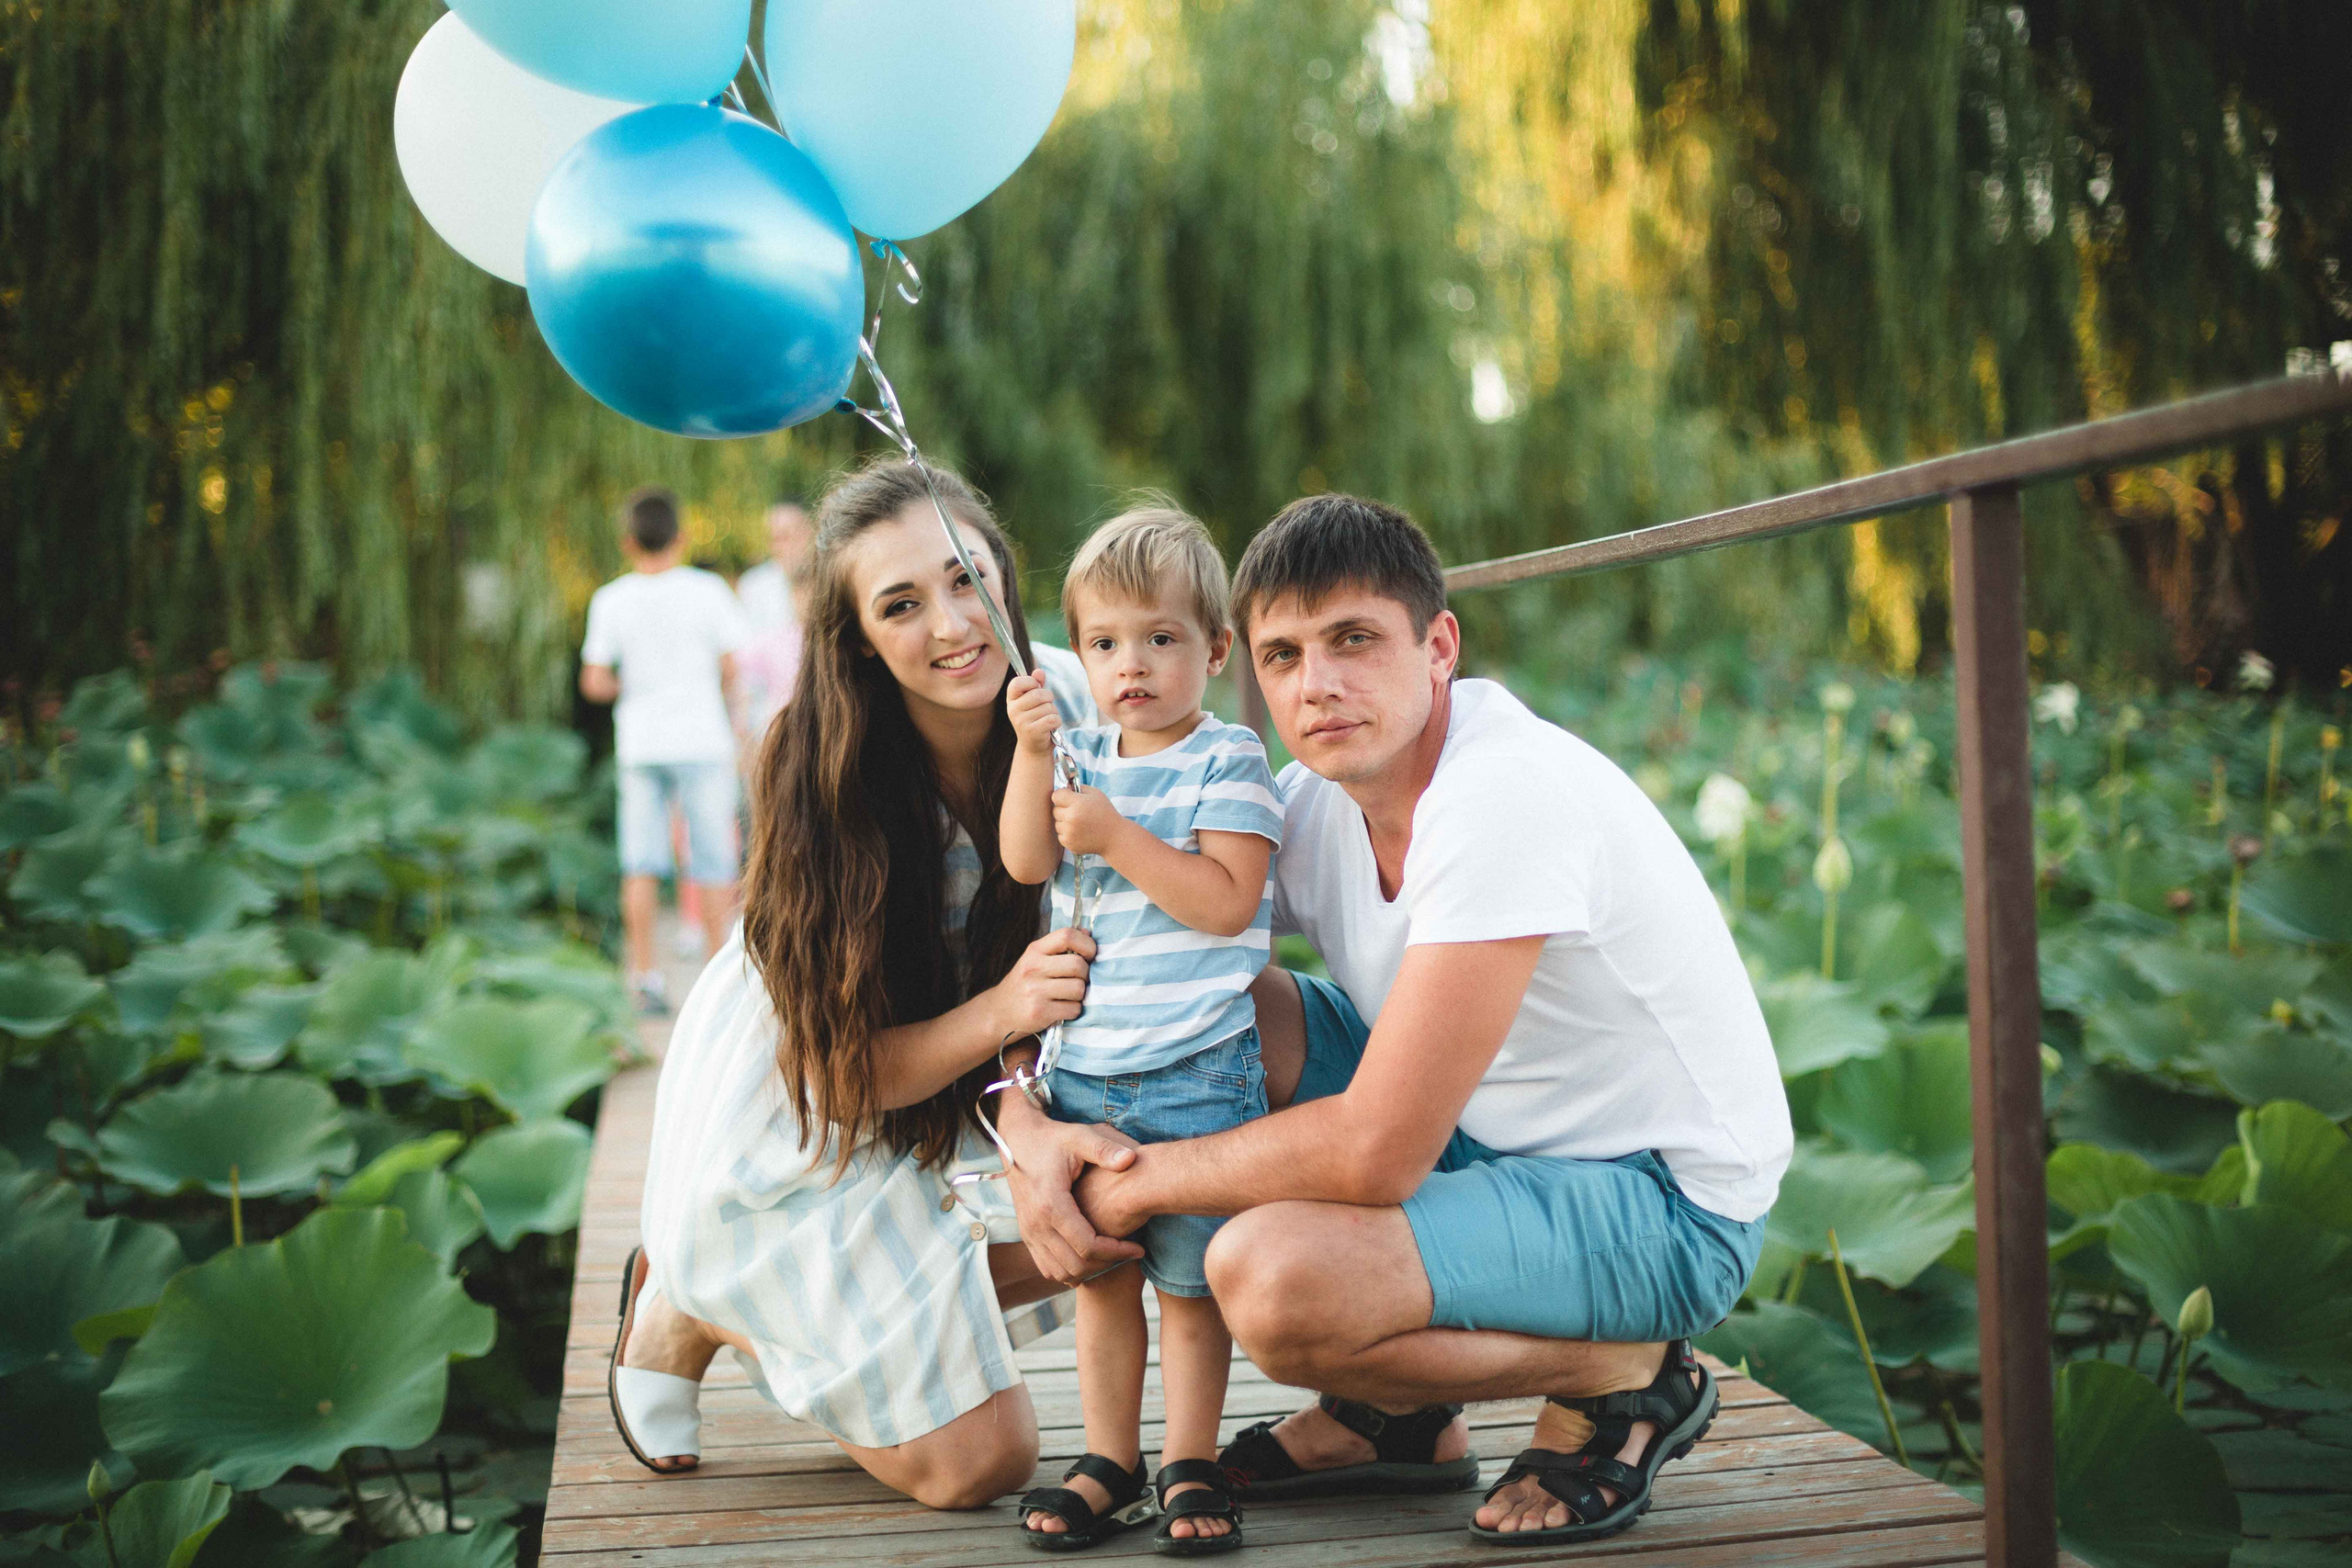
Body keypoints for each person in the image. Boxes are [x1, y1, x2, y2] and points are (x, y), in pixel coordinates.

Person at [995, 493, 1793, 1547]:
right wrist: (1027, 1120)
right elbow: (1135, 944)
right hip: (1498, 1142)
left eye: (1353, 640)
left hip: (1659, 1202)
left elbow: (1375, 1154)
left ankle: (1632, 1374)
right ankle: (1400, 1421)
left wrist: (1121, 1184)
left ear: (1439, 646)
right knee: (1248, 1011)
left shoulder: (1503, 793)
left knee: (1267, 1281)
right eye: (1281, 657)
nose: (1315, 684)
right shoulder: (1317, 803)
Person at [605, 457, 1121, 1511]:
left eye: (965, 578)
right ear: (860, 641)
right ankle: (701, 1292)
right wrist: (1005, 1013)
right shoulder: (824, 777)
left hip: (986, 1068)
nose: (952, 625)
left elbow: (1092, 936)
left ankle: (837, 1303)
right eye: (901, 604)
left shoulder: (1072, 701)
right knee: (982, 1462)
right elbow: (839, 1080)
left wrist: (1025, 1126)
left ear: (1002, 575)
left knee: (1131, 1193)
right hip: (809, 1110)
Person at [998, 508, 1281, 1554]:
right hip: (1084, 1075)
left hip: (1197, 1071)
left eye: (1162, 640)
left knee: (1189, 1285)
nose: (1133, 666)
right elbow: (1029, 863)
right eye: (1106, 644)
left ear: (1214, 650)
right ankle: (1109, 1457)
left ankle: (1189, 1458)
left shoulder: (1230, 757)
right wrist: (1033, 758)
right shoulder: (1073, 752)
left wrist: (1115, 835)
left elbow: (1221, 901)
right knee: (1103, 1280)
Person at [580, 487, 752, 1015]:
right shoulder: (708, 591)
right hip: (702, 739)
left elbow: (595, 682)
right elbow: (731, 666)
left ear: (628, 541)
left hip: (641, 745)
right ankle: (717, 982)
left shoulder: (610, 599)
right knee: (714, 862)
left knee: (641, 863)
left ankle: (647, 978)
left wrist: (628, 683)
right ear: (680, 536)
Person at [734, 495, 815, 745]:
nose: (782, 544)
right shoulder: (753, 585)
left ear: (808, 532)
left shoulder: (827, 576)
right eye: (775, 537)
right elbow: (744, 659)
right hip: (769, 716)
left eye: (789, 535)